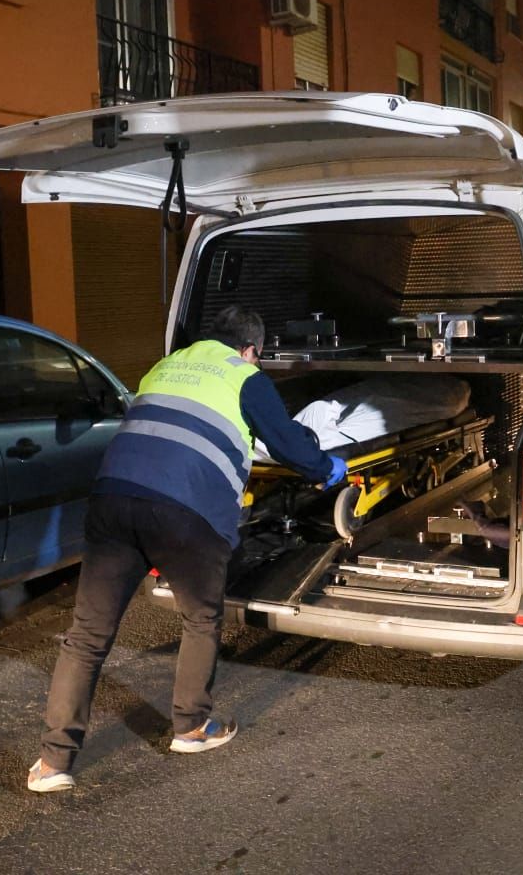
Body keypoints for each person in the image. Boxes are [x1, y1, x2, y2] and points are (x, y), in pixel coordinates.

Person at [28, 306, 346, 793]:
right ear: (251, 350)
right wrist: (325, 469)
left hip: (112, 500)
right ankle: (192, 727)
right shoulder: (245, 375)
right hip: (186, 512)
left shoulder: (165, 365)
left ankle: (52, 763)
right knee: (200, 618)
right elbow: (285, 444)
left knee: (87, 635)